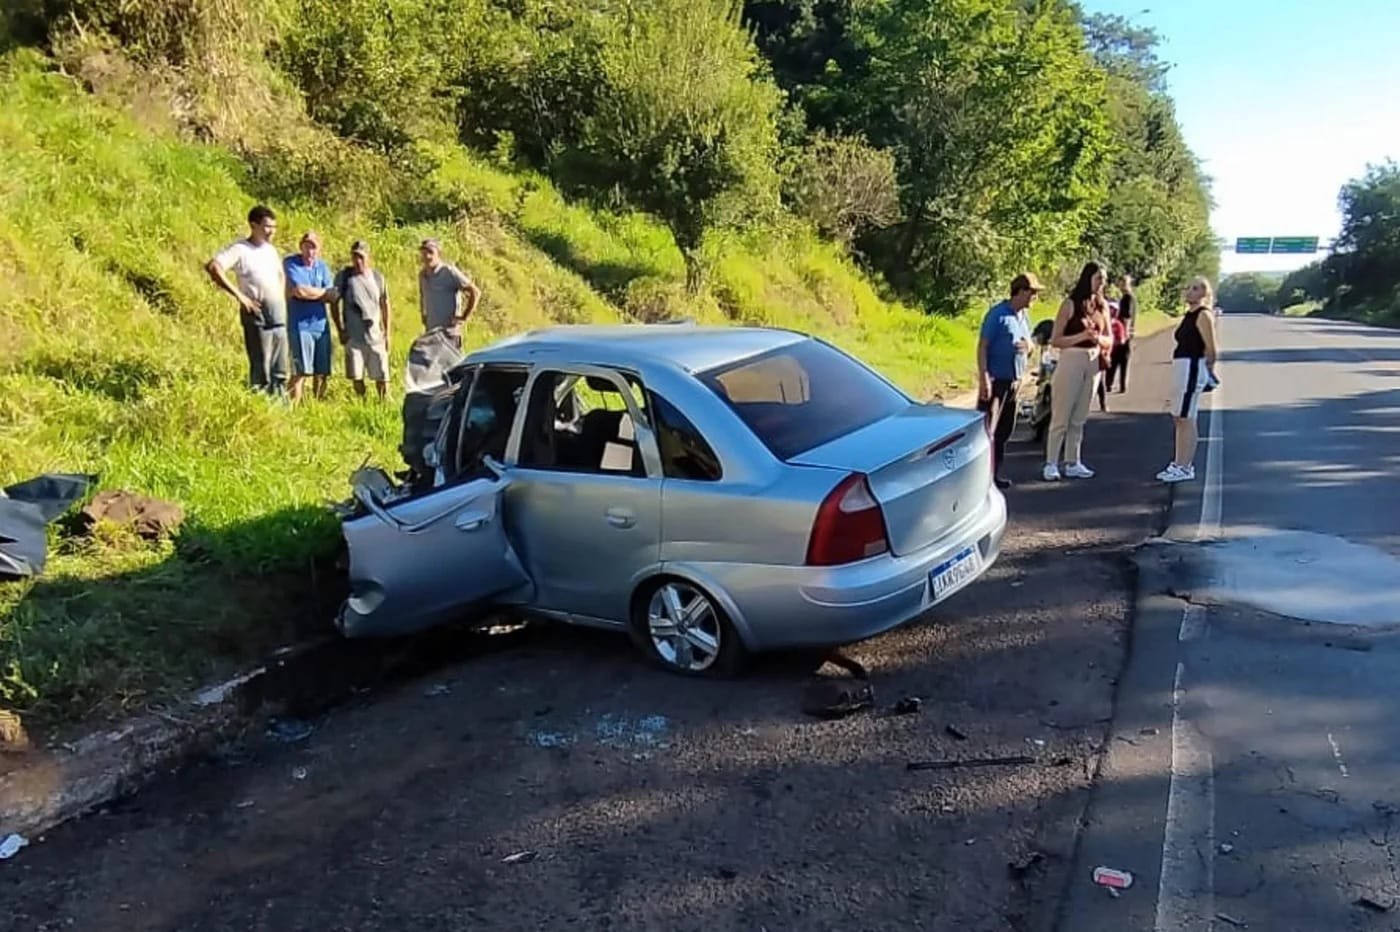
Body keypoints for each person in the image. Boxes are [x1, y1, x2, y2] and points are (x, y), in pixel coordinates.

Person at [206, 204, 288, 395]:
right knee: (262, 365)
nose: (271, 232)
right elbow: (213, 267)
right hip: (256, 313)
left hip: (278, 314)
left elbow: (280, 275)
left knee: (280, 367)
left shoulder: (271, 250)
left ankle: (280, 407)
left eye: (273, 227)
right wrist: (241, 297)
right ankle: (261, 404)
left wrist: (281, 296)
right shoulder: (240, 249)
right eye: (267, 227)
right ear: (253, 225)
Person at [1043, 261, 1113, 482]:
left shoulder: (1103, 306)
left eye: (1103, 279)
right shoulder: (1070, 305)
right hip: (1071, 358)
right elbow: (1056, 339)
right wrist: (1082, 337)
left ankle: (1073, 461)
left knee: (1080, 416)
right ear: (1088, 278)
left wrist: (1098, 339)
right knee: (1062, 414)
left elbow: (1110, 338)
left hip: (1093, 360)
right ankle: (1051, 462)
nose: (1102, 283)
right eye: (1098, 278)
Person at [976, 272, 1040, 489]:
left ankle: (994, 474)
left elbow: (1030, 344)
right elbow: (983, 346)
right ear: (1020, 291)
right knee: (988, 430)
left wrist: (1028, 347)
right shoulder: (998, 315)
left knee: (1004, 430)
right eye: (1032, 293)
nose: (1035, 297)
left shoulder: (1023, 317)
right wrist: (984, 377)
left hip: (1014, 382)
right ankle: (980, 478)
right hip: (996, 381)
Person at [1157, 277, 1220, 483]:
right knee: (1179, 416)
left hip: (1192, 366)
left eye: (1195, 289)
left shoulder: (1203, 315)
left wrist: (1208, 368)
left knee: (1186, 417)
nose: (1190, 292)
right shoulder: (1189, 315)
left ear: (1204, 294)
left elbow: (1211, 348)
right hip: (1181, 365)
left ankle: (1184, 466)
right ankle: (1178, 462)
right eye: (1189, 288)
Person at [332, 240, 392, 401]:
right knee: (356, 375)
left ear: (368, 257)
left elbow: (385, 305)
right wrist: (340, 329)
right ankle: (362, 402)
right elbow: (334, 303)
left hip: (375, 336)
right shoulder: (344, 277)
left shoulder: (378, 278)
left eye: (361, 257)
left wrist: (387, 333)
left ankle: (383, 402)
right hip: (353, 336)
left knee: (382, 375)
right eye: (354, 256)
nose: (358, 261)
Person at [283, 231, 336, 402]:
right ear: (301, 246)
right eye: (307, 246)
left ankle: (317, 404)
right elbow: (299, 289)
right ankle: (293, 409)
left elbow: (333, 295)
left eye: (313, 247)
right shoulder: (291, 263)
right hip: (300, 325)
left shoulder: (322, 267)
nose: (310, 251)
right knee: (300, 371)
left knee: (322, 371)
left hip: (320, 325)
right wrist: (322, 294)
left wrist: (312, 293)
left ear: (318, 249)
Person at [418, 238, 481, 350]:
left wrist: (464, 317)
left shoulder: (449, 272)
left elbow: (474, 292)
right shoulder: (423, 275)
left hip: (449, 333)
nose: (427, 256)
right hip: (431, 332)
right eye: (424, 253)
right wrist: (424, 315)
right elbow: (423, 296)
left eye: (430, 252)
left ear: (438, 254)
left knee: (452, 365)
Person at [1110, 275, 1136, 393]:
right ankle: (1117, 384)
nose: (1121, 285)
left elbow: (1127, 317)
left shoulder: (1128, 299)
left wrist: (1124, 334)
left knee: (1118, 359)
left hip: (1123, 333)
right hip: (1124, 332)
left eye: (1123, 283)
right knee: (1119, 359)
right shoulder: (1126, 298)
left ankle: (1117, 384)